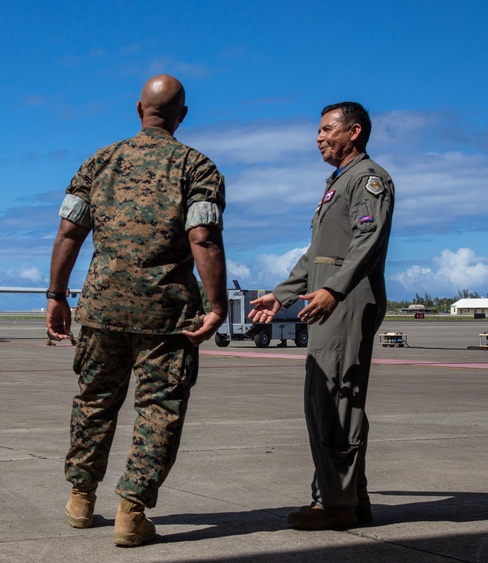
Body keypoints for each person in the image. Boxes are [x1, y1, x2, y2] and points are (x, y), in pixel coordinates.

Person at [46, 74, 227, 547]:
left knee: (94, 402)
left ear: (138, 108)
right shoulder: (197, 167)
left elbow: (69, 233)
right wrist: (217, 304)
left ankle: (81, 499)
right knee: (158, 410)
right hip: (165, 315)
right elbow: (203, 237)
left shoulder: (99, 162)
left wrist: (56, 295)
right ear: (181, 114)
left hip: (102, 308)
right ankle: (131, 512)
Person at [249, 102, 395, 530]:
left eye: (327, 129)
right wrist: (281, 295)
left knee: (335, 399)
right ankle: (351, 499)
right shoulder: (338, 183)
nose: (318, 137)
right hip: (329, 299)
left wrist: (334, 288)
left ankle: (337, 505)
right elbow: (317, 255)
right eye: (318, 130)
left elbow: (368, 239)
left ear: (355, 132)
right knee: (326, 398)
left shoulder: (368, 180)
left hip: (347, 300)